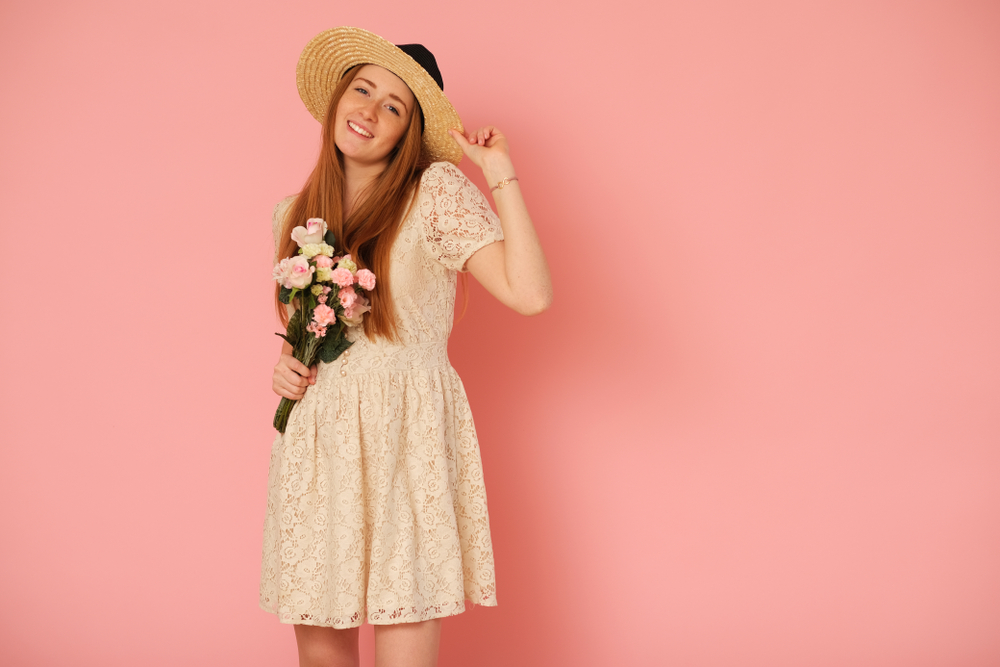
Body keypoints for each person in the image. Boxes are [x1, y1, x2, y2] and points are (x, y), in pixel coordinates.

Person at [260, 27, 552, 667]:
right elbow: (304, 339)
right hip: (317, 447)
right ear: (338, 97)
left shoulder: (436, 193)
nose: (367, 110)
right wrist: (285, 369)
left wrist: (499, 171)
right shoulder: (294, 215)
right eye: (362, 89)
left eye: (393, 106)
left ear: (409, 133)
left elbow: (529, 294)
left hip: (405, 439)